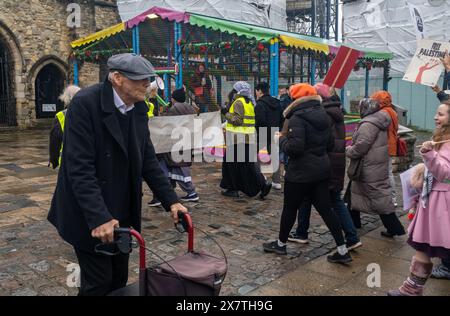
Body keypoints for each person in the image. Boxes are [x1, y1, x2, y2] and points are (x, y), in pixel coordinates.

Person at [47, 53, 188, 296]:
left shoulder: (140, 108)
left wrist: (171, 200)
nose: (147, 83)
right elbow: (78, 167)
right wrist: (99, 216)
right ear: (117, 78)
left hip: (122, 209)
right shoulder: (85, 103)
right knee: (98, 283)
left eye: (148, 79)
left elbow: (147, 160)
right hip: (89, 213)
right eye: (140, 79)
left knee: (119, 280)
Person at [262, 83, 352, 264]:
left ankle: (280, 244)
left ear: (297, 99)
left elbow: (295, 149)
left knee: (290, 208)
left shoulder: (297, 118)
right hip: (321, 171)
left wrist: (281, 140)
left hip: (300, 174)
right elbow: (330, 145)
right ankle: (342, 250)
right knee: (327, 210)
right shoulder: (324, 116)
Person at [289, 83, 361, 251]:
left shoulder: (322, 113)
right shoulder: (335, 110)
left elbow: (316, 141)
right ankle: (302, 233)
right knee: (312, 199)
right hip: (334, 160)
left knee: (333, 201)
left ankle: (350, 237)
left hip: (323, 162)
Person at [388, 102, 450, 295]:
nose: (435, 117)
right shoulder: (443, 137)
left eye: (440, 114)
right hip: (433, 200)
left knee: (426, 245)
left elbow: (445, 173)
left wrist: (429, 154)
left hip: (442, 203)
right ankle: (411, 289)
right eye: (436, 112)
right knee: (422, 246)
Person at [346, 98, 405, 238]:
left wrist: (349, 150)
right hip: (374, 165)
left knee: (380, 200)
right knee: (351, 195)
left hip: (367, 168)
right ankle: (353, 223)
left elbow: (361, 146)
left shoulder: (368, 124)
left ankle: (395, 228)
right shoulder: (379, 120)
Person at [220, 81, 272, 199]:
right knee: (246, 165)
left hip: (237, 139)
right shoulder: (250, 102)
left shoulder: (238, 102)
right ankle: (261, 184)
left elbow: (237, 120)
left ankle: (233, 189)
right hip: (247, 138)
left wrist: (226, 113)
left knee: (231, 165)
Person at [158, 88, 200, 202]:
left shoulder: (175, 108)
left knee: (179, 167)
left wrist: (165, 110)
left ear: (174, 98)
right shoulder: (190, 107)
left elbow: (166, 122)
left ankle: (191, 192)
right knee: (178, 165)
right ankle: (175, 191)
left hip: (177, 143)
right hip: (187, 141)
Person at [371, 90, 399, 207]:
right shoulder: (392, 111)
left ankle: (391, 198)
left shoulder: (382, 113)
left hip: (384, 146)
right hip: (391, 144)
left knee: (386, 173)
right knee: (388, 172)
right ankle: (391, 198)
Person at [255, 82, 283, 190]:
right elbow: (282, 118)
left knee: (254, 156)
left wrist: (258, 130)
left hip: (262, 132)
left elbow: (259, 120)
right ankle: (277, 182)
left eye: (256, 91)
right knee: (275, 157)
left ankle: (259, 178)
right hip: (275, 132)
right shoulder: (277, 103)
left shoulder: (260, 104)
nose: (256, 93)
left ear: (260, 91)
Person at [48, 85, 81, 169]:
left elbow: (55, 142)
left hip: (67, 161)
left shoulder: (61, 115)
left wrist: (53, 160)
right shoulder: (91, 113)